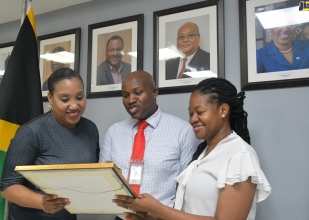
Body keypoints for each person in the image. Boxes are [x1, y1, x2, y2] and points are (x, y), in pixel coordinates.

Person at [113, 78, 271, 220]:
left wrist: (158, 208)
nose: (193, 119)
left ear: (223, 110)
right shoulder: (203, 154)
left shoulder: (239, 155)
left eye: (200, 112)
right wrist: (154, 217)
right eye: (190, 113)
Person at [0, 67, 100, 220]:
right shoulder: (32, 131)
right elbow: (8, 187)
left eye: (79, 97)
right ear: (50, 98)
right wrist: (43, 202)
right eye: (65, 99)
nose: (74, 106)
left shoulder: (90, 129)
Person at [99, 70, 199, 220]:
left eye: (137, 93)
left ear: (154, 92)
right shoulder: (114, 131)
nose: (130, 100)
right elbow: (103, 177)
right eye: (125, 95)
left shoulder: (182, 131)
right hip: (122, 217)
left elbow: (188, 187)